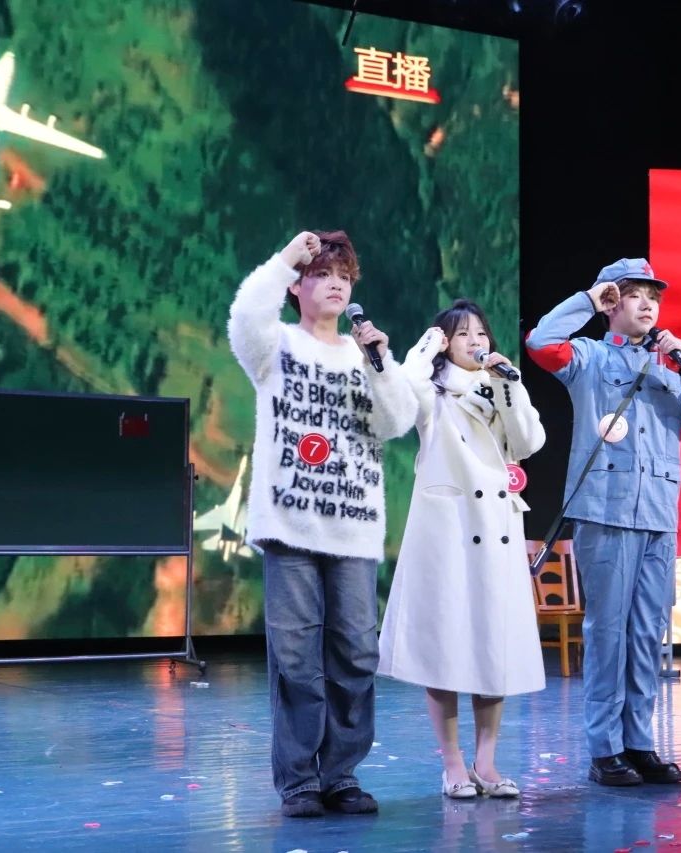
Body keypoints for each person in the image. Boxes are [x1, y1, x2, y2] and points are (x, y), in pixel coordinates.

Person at [228, 230, 418, 817]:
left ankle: (341, 775)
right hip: (290, 528)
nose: (335, 284)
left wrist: (382, 364)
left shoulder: (365, 357)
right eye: (321, 274)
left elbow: (397, 421)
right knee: (295, 660)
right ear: (297, 287)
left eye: (343, 276)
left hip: (353, 529)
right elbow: (244, 316)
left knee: (356, 654)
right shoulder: (277, 346)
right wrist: (286, 258)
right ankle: (299, 781)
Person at [525, 258, 681, 787]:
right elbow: (542, 342)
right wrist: (591, 300)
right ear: (613, 302)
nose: (647, 304)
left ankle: (640, 742)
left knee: (647, 634)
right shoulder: (589, 358)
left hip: (658, 513)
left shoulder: (670, 366)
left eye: (653, 297)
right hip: (605, 510)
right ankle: (604, 748)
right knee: (608, 631)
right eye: (634, 294)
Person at [377, 299, 546, 799]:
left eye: (481, 333)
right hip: (448, 531)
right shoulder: (431, 390)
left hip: (496, 527)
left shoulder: (501, 385)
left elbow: (528, 442)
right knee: (444, 646)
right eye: (462, 334)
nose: (476, 341)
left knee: (495, 646)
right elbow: (401, 402)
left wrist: (510, 384)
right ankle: (452, 764)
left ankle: (486, 763)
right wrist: (424, 349)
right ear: (445, 342)